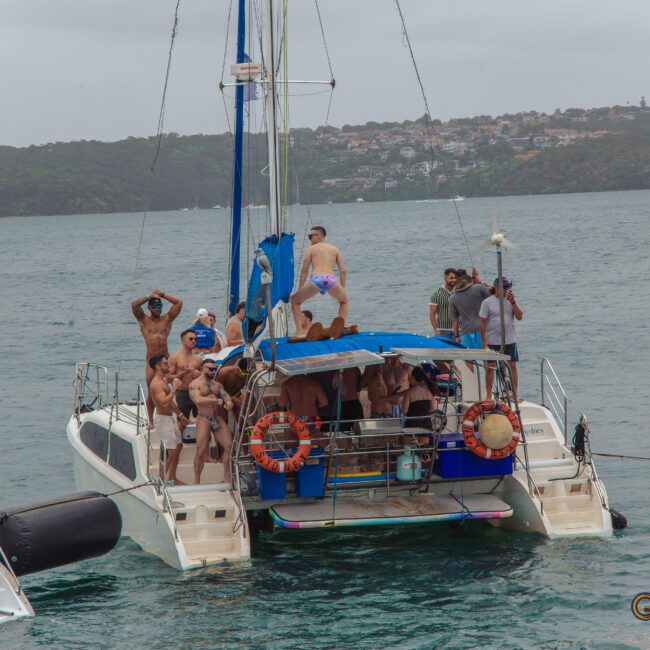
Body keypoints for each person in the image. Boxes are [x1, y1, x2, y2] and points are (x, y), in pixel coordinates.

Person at [131, 289, 183, 423]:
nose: (157, 309)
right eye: (154, 306)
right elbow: (134, 304)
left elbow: (178, 302)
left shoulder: (167, 319)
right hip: (151, 361)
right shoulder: (143, 320)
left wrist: (163, 295)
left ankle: (175, 416)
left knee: (170, 388)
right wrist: (149, 296)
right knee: (151, 393)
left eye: (159, 306)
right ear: (149, 308)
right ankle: (150, 421)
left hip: (165, 359)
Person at [290, 226, 349, 335]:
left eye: (310, 236)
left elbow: (304, 270)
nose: (310, 239)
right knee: (344, 301)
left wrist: (300, 289)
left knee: (295, 302)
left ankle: (299, 331)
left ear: (319, 236)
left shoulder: (311, 249)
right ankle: (340, 326)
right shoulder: (335, 249)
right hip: (331, 280)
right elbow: (343, 271)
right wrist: (342, 288)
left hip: (317, 280)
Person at [189, 359, 234, 484]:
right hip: (204, 418)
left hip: (217, 418)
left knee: (229, 446)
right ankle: (196, 481)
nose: (214, 371)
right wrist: (215, 401)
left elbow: (225, 395)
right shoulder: (195, 384)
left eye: (215, 369)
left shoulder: (217, 385)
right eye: (211, 369)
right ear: (203, 368)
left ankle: (227, 478)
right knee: (200, 450)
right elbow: (197, 400)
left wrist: (229, 402)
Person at [479, 277, 524, 400]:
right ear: (497, 288)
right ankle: (489, 395)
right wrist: (484, 341)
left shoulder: (510, 301)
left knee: (512, 367)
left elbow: (520, 316)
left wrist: (513, 302)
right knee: (490, 368)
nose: (507, 290)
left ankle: (515, 395)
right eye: (505, 288)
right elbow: (482, 322)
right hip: (492, 340)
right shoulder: (487, 302)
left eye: (508, 287)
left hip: (509, 340)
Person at [148, 354, 188, 484]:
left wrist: (180, 415)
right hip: (162, 421)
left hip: (170, 419)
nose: (168, 365)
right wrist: (174, 389)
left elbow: (170, 404)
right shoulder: (156, 384)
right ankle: (161, 481)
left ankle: (172, 477)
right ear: (157, 366)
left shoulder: (164, 379)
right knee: (170, 451)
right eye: (165, 363)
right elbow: (164, 403)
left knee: (179, 445)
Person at [278, 374, 328, 446]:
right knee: (310, 446)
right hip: (311, 419)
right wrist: (313, 405)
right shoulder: (313, 382)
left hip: (295, 419)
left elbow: (282, 404)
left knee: (292, 447)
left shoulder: (287, 383)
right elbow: (324, 402)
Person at [167, 328, 203, 426]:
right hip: (182, 393)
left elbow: (206, 376)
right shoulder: (175, 357)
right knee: (182, 422)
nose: (194, 341)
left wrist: (201, 374)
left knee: (202, 420)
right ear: (183, 341)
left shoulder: (198, 359)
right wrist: (184, 373)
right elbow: (168, 378)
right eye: (190, 339)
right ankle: (178, 441)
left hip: (197, 392)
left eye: (195, 339)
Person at [449, 268, 489, 348]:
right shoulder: (478, 288)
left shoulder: (453, 297)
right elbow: (493, 297)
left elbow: (454, 320)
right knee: (486, 357)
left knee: (469, 359)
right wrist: (479, 281)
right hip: (483, 329)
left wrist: (456, 336)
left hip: (466, 332)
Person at [429, 268, 456, 338]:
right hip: (443, 331)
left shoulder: (459, 292)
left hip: (459, 330)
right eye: (451, 278)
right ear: (445, 278)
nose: (453, 280)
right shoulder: (437, 294)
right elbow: (432, 313)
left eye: (455, 278)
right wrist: (436, 329)